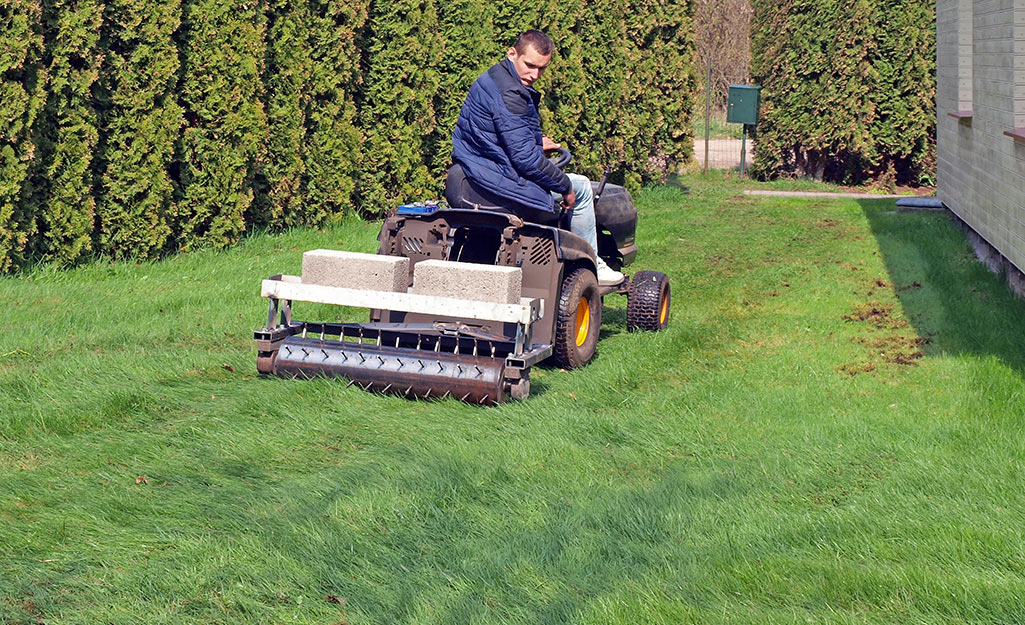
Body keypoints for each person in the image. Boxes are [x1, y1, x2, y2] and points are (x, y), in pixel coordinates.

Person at [450, 30, 624, 286]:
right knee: (582, 188)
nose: (534, 75)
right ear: (512, 53)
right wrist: (564, 187)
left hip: (475, 170)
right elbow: (526, 161)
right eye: (529, 65)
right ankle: (593, 263)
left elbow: (495, 134)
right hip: (496, 181)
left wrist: (534, 143)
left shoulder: (492, 78)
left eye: (541, 69)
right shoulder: (513, 92)